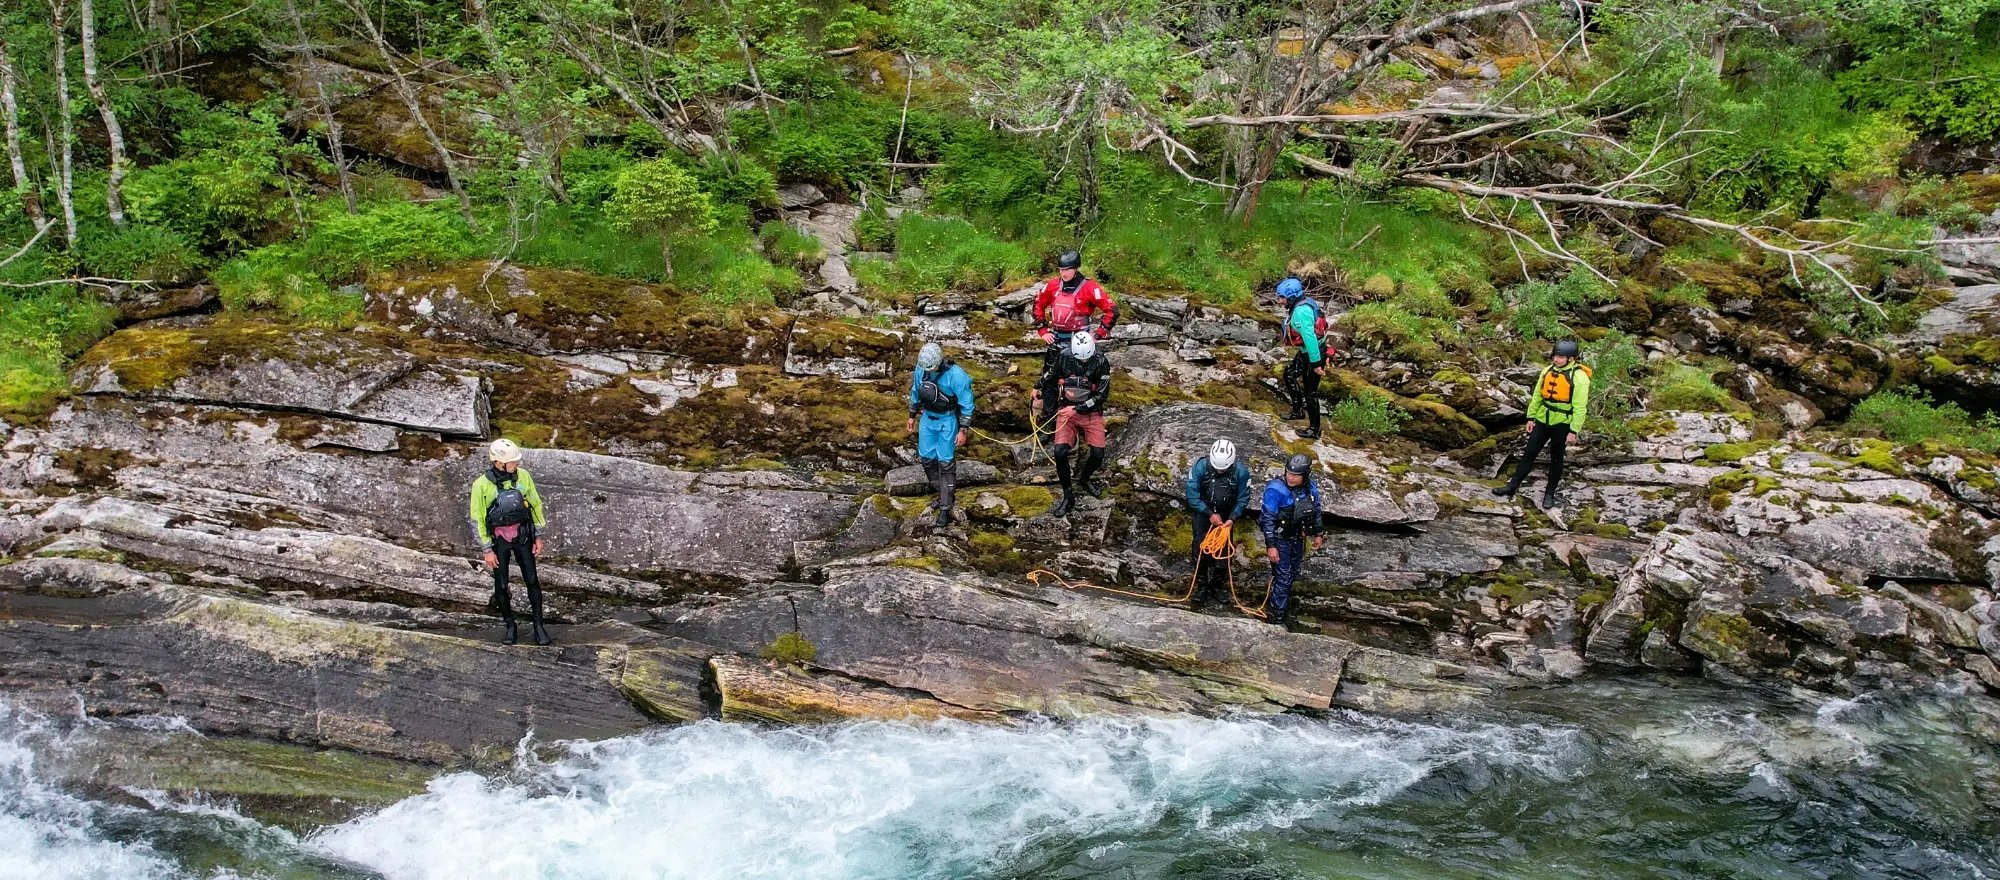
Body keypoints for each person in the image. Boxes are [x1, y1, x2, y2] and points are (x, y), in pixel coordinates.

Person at [469, 438, 551, 645]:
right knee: (502, 585)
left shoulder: (524, 477)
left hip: (522, 535)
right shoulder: (481, 485)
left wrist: (538, 535)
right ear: (499, 462)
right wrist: (487, 549)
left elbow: (535, 504)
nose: (517, 464)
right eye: (512, 461)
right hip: (499, 541)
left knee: (532, 580)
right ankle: (510, 626)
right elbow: (477, 518)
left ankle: (538, 626)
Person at [1492, 339, 1592, 508]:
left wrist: (1574, 430)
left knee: (1556, 458)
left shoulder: (1579, 378)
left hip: (1562, 424)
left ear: (1571, 358)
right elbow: (1538, 396)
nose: (1556, 360)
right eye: (1555, 356)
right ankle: (1512, 487)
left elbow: (1580, 407)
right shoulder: (1547, 371)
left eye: (1561, 357)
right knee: (1529, 453)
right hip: (1543, 420)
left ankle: (1549, 494)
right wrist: (1531, 418)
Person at [1032, 250, 1116, 438]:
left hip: (1080, 343)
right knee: (1050, 381)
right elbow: (1038, 303)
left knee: (1084, 382)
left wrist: (1098, 334)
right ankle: (1049, 422)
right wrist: (1042, 330)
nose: (1064, 273)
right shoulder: (1053, 286)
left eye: (1068, 269)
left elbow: (1111, 310)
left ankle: (1085, 420)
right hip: (1057, 339)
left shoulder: (1090, 288)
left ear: (1076, 268)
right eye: (1061, 269)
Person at [1037, 330, 1112, 518]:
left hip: (1091, 411)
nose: (1083, 363)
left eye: (1086, 360)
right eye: (1080, 360)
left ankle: (1085, 478)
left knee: (1098, 453)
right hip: (1067, 409)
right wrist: (1037, 386)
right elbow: (1052, 374)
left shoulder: (1101, 362)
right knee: (1060, 451)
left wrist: (1078, 409)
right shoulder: (1064, 356)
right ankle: (1068, 494)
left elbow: (1102, 395)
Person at [906, 341, 975, 527]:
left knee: (945, 462)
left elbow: (967, 404)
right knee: (927, 459)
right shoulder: (921, 370)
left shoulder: (956, 376)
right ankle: (943, 492)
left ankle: (945, 507)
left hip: (947, 421)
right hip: (927, 419)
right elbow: (915, 391)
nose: (928, 369)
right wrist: (912, 415)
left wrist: (963, 430)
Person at [1183, 438, 1251, 610]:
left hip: (1226, 516)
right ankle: (1202, 586)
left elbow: (1243, 497)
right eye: (1217, 468)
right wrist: (1208, 513)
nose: (1220, 471)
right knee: (1200, 548)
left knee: (1224, 552)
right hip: (1203, 513)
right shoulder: (1200, 467)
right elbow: (1192, 494)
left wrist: (1233, 517)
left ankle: (1218, 585)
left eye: (1224, 469)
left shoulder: (1241, 472)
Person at [1258, 453, 1324, 626]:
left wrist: (1318, 533)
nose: (1290, 477)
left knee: (1292, 574)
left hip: (1298, 539)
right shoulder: (1275, 489)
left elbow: (1315, 510)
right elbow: (1267, 519)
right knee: (1283, 577)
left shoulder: (1311, 489)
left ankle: (1282, 606)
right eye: (1288, 473)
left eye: (1295, 475)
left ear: (1305, 475)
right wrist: (1271, 546)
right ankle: (1277, 617)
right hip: (1281, 539)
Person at [1277, 277, 1331, 439]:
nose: (1279, 301)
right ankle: (1297, 410)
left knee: (1311, 392)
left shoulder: (1301, 312)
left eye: (1282, 298)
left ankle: (1314, 430)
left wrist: (1316, 364)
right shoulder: (1304, 303)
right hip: (1308, 351)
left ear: (1292, 297)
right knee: (1289, 374)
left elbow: (1310, 338)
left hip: (1313, 353)